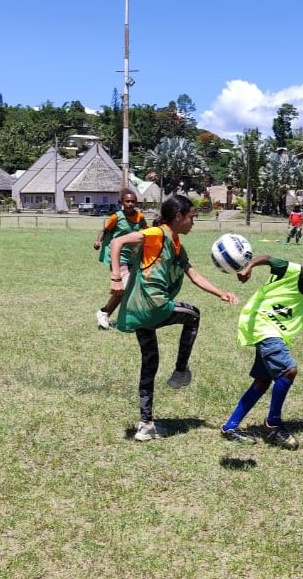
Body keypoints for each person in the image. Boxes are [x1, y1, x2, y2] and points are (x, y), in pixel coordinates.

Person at [109, 195, 239, 442]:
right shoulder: (157, 233)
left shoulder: (177, 244)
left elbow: (194, 275)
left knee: (150, 363)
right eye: (191, 217)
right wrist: (116, 277)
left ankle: (145, 425)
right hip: (153, 304)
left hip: (138, 311)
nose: (193, 222)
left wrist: (221, 292)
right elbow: (117, 242)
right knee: (193, 315)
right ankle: (180, 371)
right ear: (178, 217)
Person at [220, 255, 303, 449]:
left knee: (263, 380)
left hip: (271, 330)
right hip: (264, 325)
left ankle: (230, 427)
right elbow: (270, 259)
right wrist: (248, 267)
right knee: (288, 371)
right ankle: (273, 423)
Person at [93, 189, 147, 330]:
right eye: (127, 201)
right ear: (122, 202)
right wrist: (98, 241)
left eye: (133, 201)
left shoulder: (140, 217)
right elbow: (104, 231)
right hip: (118, 257)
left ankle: (104, 313)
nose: (130, 204)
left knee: (125, 290)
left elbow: (147, 232)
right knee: (126, 286)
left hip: (133, 258)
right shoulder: (116, 217)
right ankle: (121, 317)